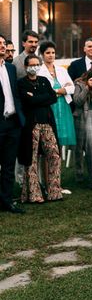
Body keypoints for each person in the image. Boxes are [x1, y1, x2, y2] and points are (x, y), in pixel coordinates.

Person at [17, 55, 62, 204]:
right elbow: (28, 101)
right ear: (25, 67)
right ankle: (34, 194)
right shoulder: (21, 83)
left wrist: (36, 97)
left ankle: (54, 191)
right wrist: (41, 97)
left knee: (54, 155)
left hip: (47, 123)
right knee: (32, 158)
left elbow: (53, 98)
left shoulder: (43, 80)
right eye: (31, 65)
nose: (34, 67)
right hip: (32, 125)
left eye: (37, 64)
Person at [0, 34, 25, 214]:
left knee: (9, 165)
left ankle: (7, 201)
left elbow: (14, 93)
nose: (2, 46)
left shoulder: (10, 68)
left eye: (3, 44)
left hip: (13, 123)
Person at [37, 41, 76, 148]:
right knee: (49, 136)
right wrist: (61, 90)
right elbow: (42, 91)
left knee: (62, 135)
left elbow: (72, 88)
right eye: (48, 53)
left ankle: (58, 161)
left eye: (53, 52)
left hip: (63, 106)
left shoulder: (62, 70)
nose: (51, 55)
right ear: (42, 55)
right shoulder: (39, 71)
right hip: (49, 106)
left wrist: (58, 91)